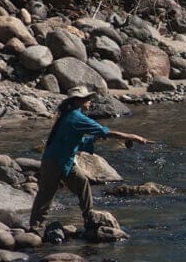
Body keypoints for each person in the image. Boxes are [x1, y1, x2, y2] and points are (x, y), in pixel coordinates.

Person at [29, 85, 152, 232]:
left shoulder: (69, 115)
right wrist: (133, 137)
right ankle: (35, 228)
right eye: (87, 99)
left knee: (82, 183)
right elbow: (104, 131)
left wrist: (94, 140)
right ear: (78, 101)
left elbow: (76, 142)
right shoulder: (76, 117)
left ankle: (89, 217)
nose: (90, 102)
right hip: (55, 161)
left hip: (64, 160)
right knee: (46, 195)